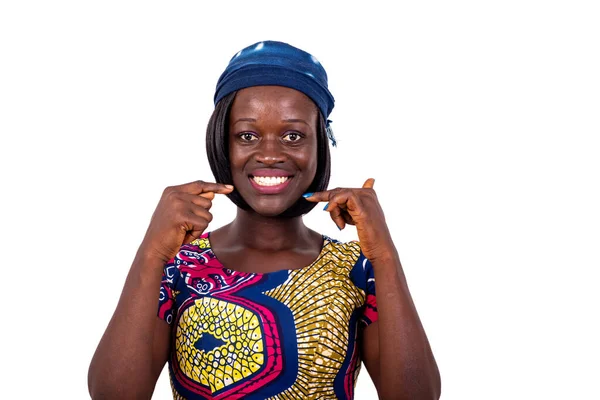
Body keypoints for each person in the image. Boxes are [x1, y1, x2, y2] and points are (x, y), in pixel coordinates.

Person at [88, 40, 441, 400]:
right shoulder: (178, 264)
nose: (270, 154)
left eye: (293, 135)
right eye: (247, 135)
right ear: (222, 144)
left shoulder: (359, 269)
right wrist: (151, 251)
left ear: (320, 143)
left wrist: (384, 255)